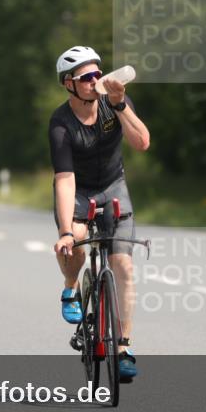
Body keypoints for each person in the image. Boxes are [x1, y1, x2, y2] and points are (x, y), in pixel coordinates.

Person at [49, 45, 150, 379]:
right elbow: (64, 180)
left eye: (97, 74)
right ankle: (69, 285)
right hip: (77, 190)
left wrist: (121, 104)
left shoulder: (113, 101)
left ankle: (123, 347)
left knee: (123, 263)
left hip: (113, 184)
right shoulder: (61, 124)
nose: (95, 81)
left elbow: (142, 142)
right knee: (75, 239)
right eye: (86, 77)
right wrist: (65, 231)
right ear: (69, 84)